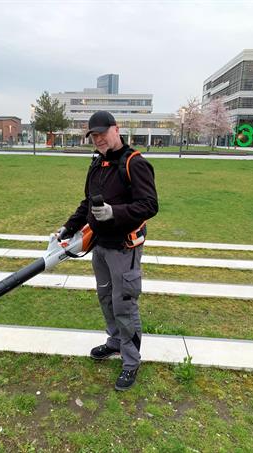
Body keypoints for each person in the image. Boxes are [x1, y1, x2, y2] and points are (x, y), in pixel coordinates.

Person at [57, 111, 158, 391]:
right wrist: (68, 228)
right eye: (94, 135)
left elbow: (150, 205)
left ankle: (131, 361)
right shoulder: (97, 163)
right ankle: (114, 342)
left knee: (125, 304)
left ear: (116, 129)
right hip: (99, 246)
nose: (99, 139)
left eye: (102, 133)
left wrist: (115, 212)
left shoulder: (134, 163)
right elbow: (87, 202)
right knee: (106, 298)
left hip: (124, 248)